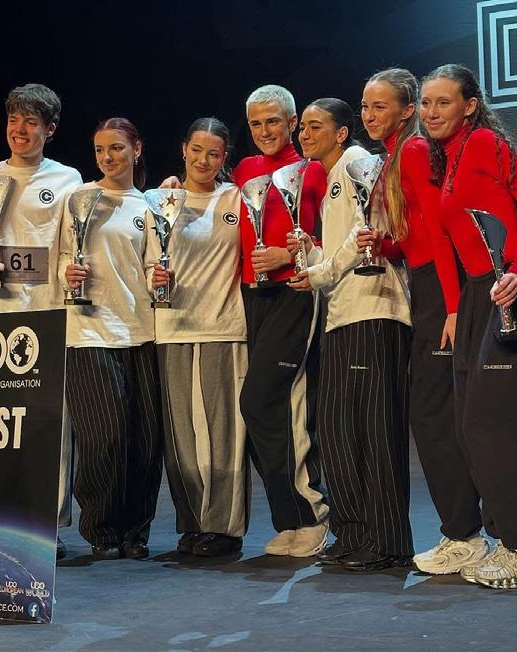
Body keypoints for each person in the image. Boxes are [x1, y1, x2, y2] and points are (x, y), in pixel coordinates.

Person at [419, 64, 517, 589]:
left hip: (511, 290)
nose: (431, 112)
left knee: (503, 423)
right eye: (426, 103)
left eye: (443, 102)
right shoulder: (448, 157)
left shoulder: (482, 144)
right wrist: (457, 310)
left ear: (470, 106)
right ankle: (506, 541)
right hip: (478, 295)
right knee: (471, 424)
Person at [354, 69, 486, 575]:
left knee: (432, 414)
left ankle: (463, 534)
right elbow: (413, 234)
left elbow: (440, 226)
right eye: (365, 106)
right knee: (435, 413)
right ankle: (463, 530)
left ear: (406, 111)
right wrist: (384, 245)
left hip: (441, 285)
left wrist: (452, 305)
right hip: (427, 282)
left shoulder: (411, 150)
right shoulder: (394, 156)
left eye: (380, 106)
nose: (369, 116)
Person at [288, 90, 412, 571]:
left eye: (315, 126)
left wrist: (319, 270)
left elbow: (366, 241)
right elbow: (342, 249)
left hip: (375, 312)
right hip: (342, 314)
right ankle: (354, 532)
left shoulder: (361, 165)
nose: (304, 134)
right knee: (340, 431)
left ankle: (387, 541)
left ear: (341, 133)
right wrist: (310, 249)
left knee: (374, 434)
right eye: (303, 127)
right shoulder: (334, 178)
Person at [0, 83, 81, 559]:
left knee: (50, 423)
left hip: (49, 314)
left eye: (31, 122)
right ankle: (0, 520)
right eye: (14, 120)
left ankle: (47, 525)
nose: (19, 129)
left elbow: (71, 246)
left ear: (49, 129)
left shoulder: (68, 179)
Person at [59, 117, 163, 560]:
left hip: (141, 332)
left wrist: (160, 279)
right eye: (101, 149)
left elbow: (154, 265)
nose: (108, 157)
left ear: (136, 149)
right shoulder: (79, 198)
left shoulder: (150, 205)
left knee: (145, 439)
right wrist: (66, 273)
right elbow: (60, 255)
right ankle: (101, 530)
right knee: (103, 439)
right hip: (88, 331)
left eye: (117, 148)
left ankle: (136, 531)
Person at [233, 85, 330, 557]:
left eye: (273, 121)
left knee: (275, 401)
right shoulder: (244, 170)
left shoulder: (314, 170)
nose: (264, 131)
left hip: (296, 292)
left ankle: (312, 513)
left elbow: (334, 234)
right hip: (252, 298)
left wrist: (291, 254)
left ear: (292, 122)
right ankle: (288, 518)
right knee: (262, 407)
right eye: (255, 123)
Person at [148, 117, 249, 557]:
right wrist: (153, 279)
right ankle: (192, 522)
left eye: (213, 153)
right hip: (171, 327)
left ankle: (224, 528)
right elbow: (144, 261)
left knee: (223, 433)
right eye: (196, 151)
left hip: (224, 328)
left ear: (224, 157)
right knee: (182, 436)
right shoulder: (158, 200)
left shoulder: (237, 198)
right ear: (183, 150)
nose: (203, 160)